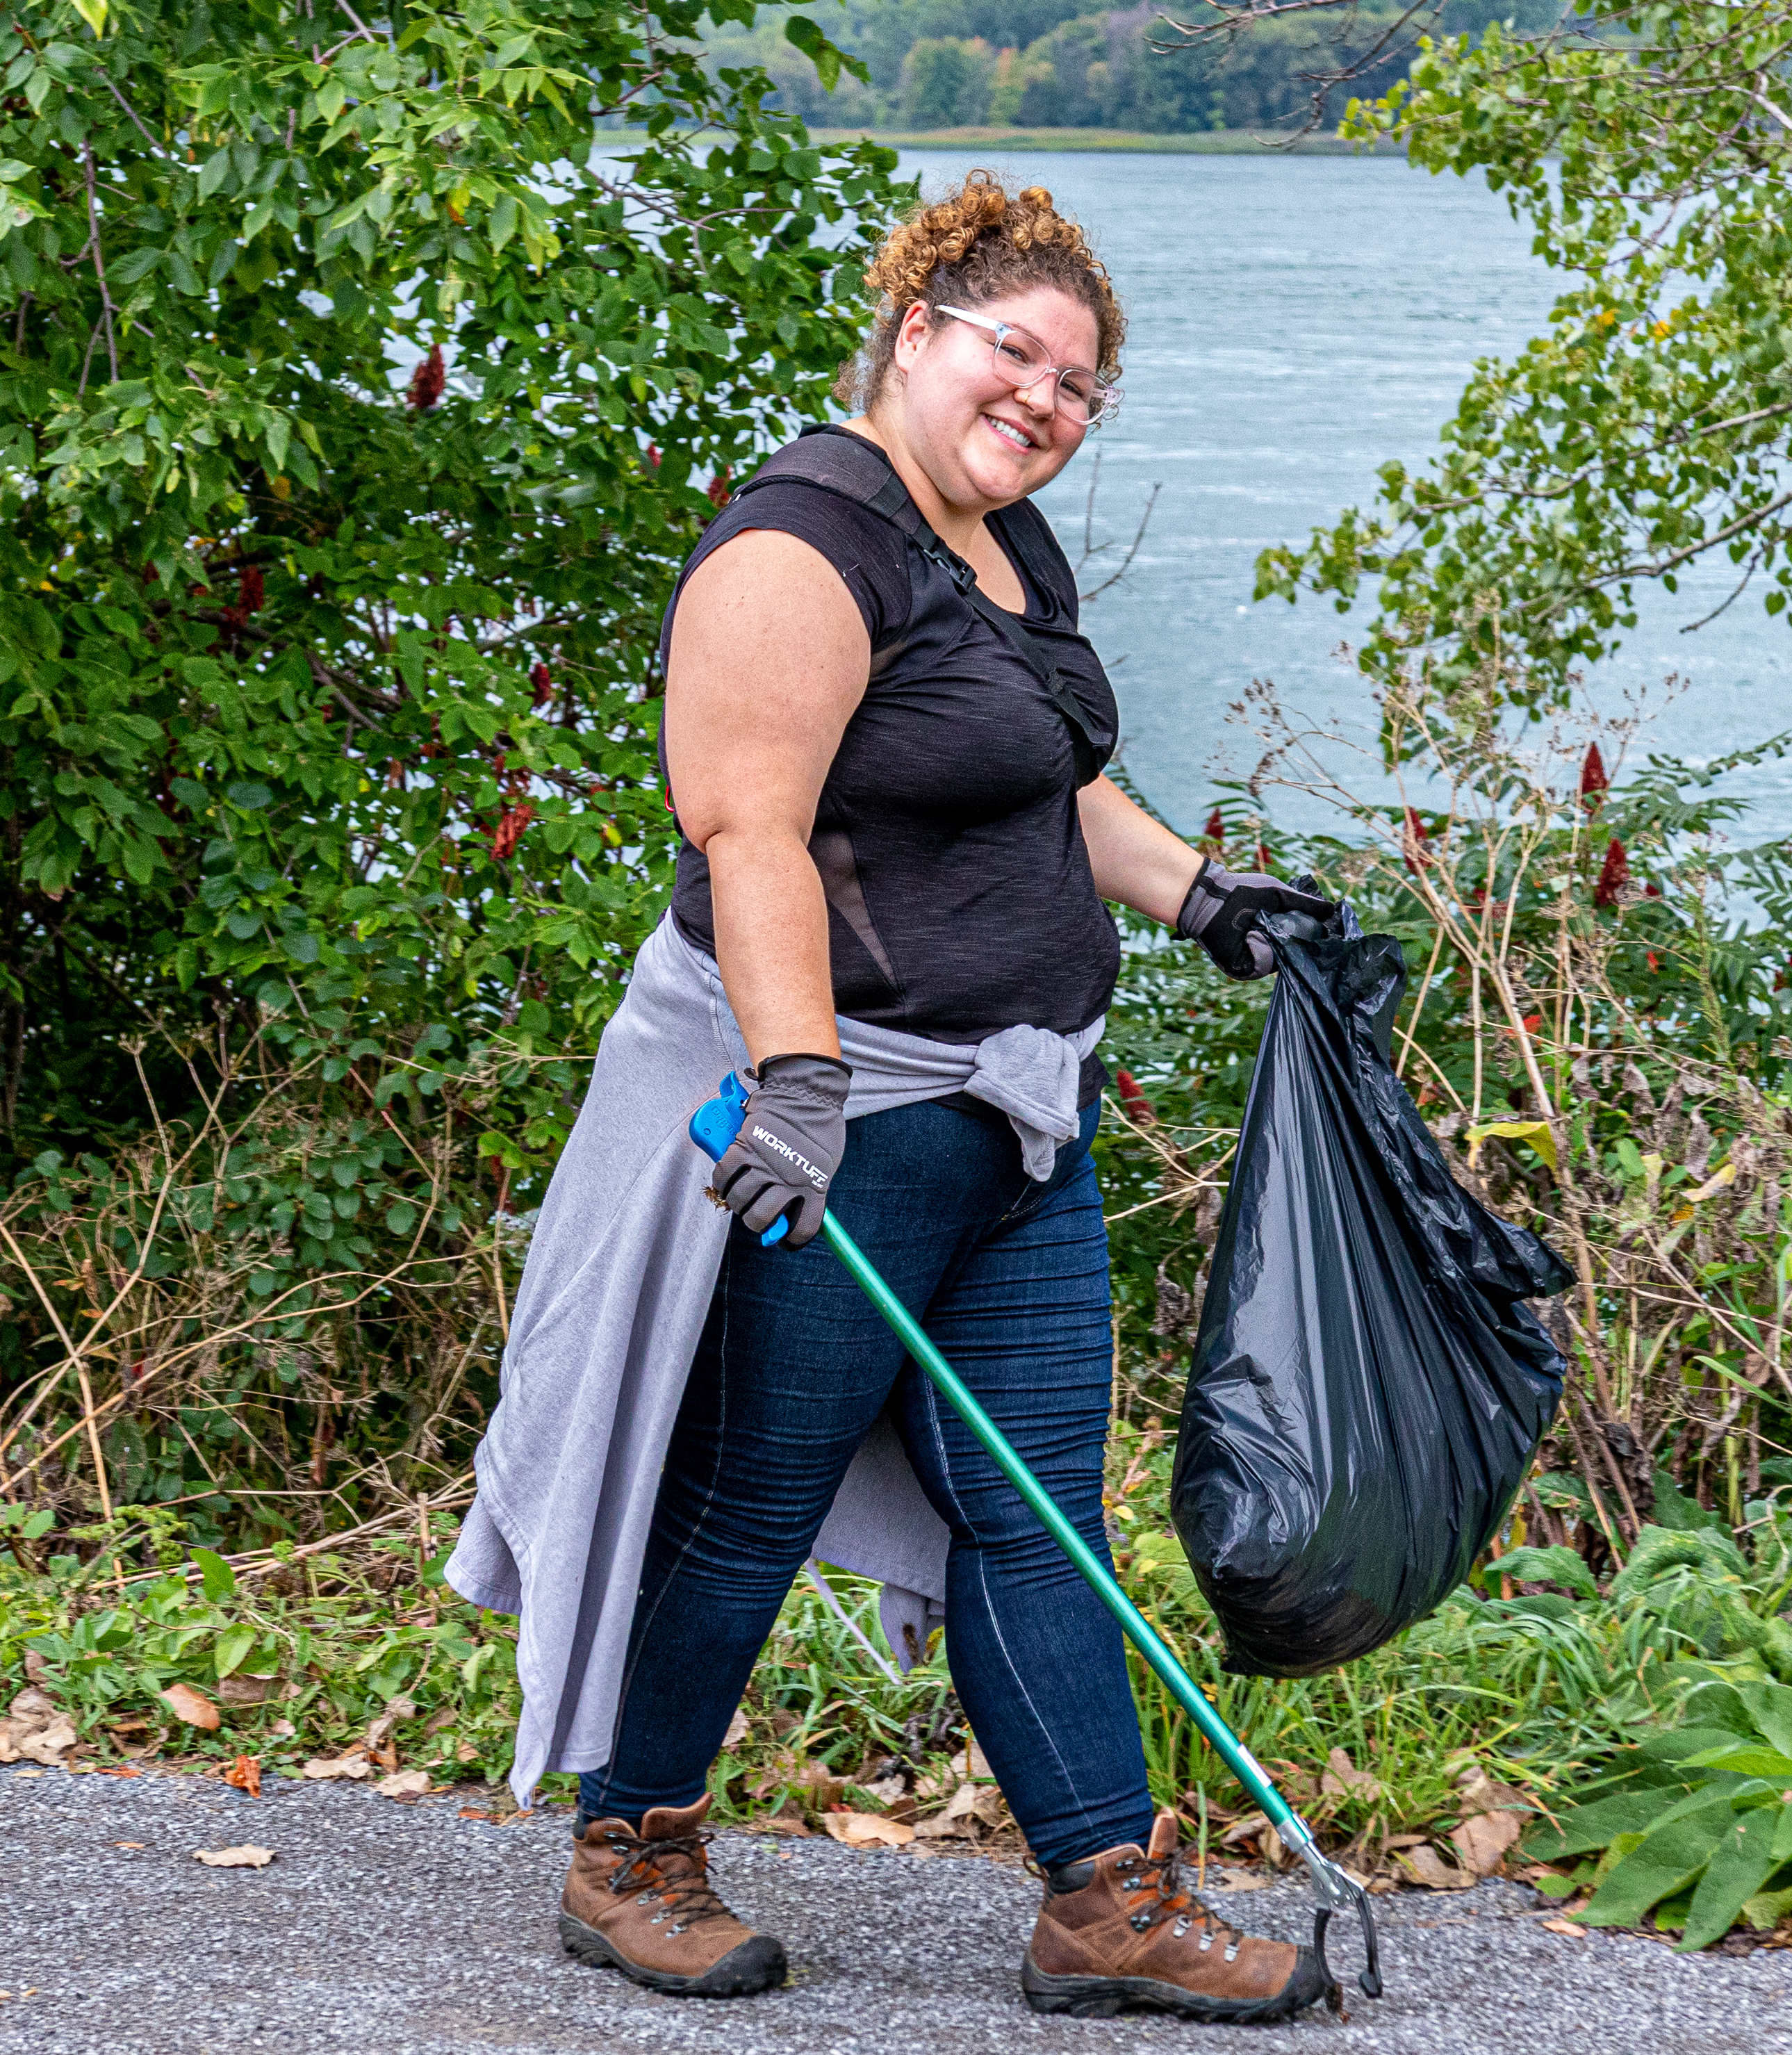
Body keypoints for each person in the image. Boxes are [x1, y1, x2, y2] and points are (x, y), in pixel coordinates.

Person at [447, 172, 1337, 2023]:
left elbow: (1047, 789)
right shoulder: (800, 545)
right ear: (921, 330)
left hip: (1017, 1114)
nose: (1050, 408)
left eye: (1083, 389)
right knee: (748, 1500)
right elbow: (748, 826)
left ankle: (1105, 1897)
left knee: (1038, 1514)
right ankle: (633, 1852)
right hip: (852, 1113)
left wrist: (1209, 898)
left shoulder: (1006, 550)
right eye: (1021, 358)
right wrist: (793, 1081)